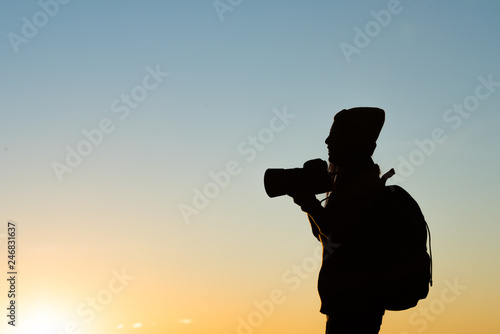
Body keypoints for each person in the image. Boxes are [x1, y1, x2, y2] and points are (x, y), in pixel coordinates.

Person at [291, 107, 388, 333]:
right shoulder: (353, 180)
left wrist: (309, 203)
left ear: (352, 140)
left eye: (335, 134)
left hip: (354, 304)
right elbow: (327, 236)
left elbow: (338, 236)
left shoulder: (361, 185)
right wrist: (309, 204)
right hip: (350, 303)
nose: (327, 140)